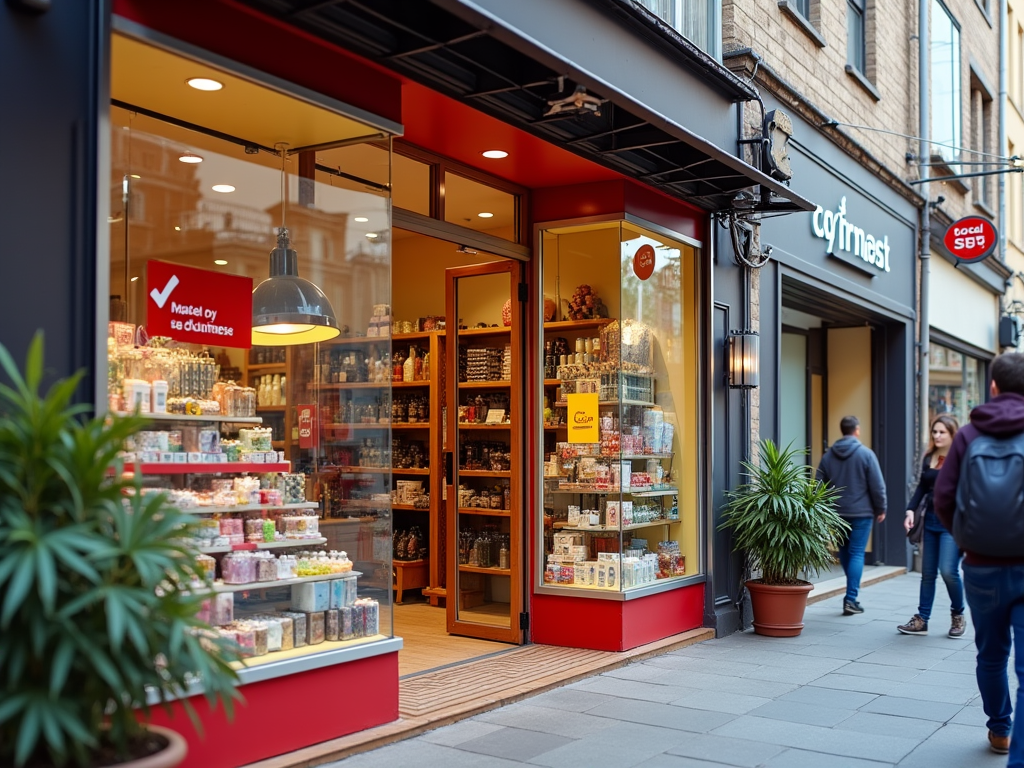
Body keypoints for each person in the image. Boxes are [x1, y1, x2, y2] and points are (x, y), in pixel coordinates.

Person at [934, 352, 1024, 760]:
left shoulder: (969, 434)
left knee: (990, 654)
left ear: (993, 387)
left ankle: (1000, 729)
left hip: (981, 565)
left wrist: (968, 539)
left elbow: (944, 497)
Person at [897, 414, 965, 637]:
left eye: (942, 432)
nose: (937, 435)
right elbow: (921, 488)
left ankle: (958, 615)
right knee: (927, 574)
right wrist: (910, 509)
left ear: (952, 434)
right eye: (934, 431)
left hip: (952, 524)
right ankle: (922, 620)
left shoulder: (961, 457)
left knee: (948, 571)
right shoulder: (929, 457)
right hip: (931, 521)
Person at [816, 415, 888, 615]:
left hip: (837, 513)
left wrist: (821, 510)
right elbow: (878, 486)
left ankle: (851, 592)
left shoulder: (828, 456)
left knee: (845, 552)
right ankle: (851, 598)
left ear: (842, 430)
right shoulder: (866, 454)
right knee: (856, 552)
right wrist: (881, 508)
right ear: (857, 430)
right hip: (861, 513)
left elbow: (818, 485)